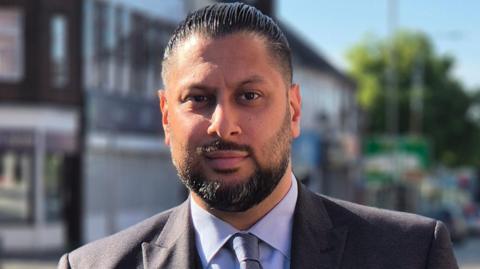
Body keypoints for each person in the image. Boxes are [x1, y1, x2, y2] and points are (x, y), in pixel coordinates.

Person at [58, 3, 458, 269]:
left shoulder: (410, 254)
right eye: (198, 98)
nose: (223, 124)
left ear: (294, 109)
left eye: (250, 96)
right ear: (166, 116)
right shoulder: (92, 267)